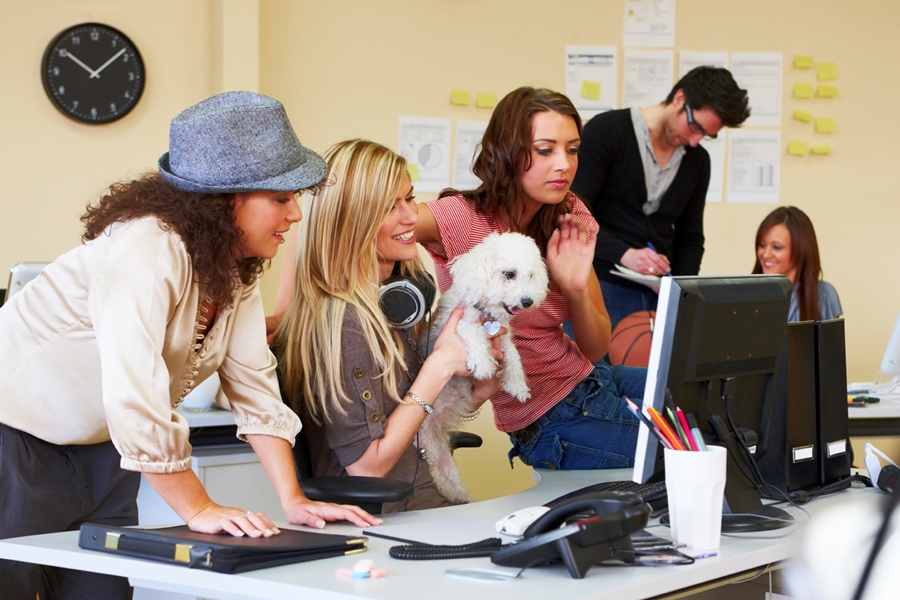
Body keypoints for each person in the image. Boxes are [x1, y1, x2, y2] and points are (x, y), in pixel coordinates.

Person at [0, 92, 379, 600]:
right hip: (15, 446)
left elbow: (253, 382)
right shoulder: (146, 248)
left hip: (102, 453)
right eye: (281, 198)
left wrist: (292, 498)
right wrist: (198, 508)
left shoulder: (234, 267)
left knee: (103, 593)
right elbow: (134, 398)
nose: (296, 215)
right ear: (226, 201)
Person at [416, 86, 646, 471]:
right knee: (688, 457)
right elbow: (378, 223)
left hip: (592, 377)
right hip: (551, 417)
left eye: (572, 150)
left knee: (710, 401)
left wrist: (575, 289)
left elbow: (596, 347)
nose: (565, 165)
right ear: (507, 152)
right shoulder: (461, 218)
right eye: (545, 150)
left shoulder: (569, 214)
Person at [273, 139, 503, 512]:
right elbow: (366, 468)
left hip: (431, 500)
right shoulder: (345, 324)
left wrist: (476, 392)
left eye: (409, 199)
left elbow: (411, 418)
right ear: (350, 222)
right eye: (388, 208)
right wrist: (440, 365)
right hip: (387, 523)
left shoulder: (395, 303)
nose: (411, 217)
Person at [570, 66, 751, 329]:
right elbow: (574, 216)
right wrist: (625, 254)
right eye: (695, 127)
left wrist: (681, 290)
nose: (694, 141)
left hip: (660, 295)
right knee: (598, 369)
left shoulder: (698, 161)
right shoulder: (607, 132)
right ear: (680, 98)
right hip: (599, 283)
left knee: (658, 371)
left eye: (706, 135)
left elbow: (691, 236)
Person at [753, 206, 842, 322]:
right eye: (762, 245)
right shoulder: (747, 295)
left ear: (800, 250)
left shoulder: (824, 294)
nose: (766, 254)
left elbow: (832, 340)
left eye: (777, 247)